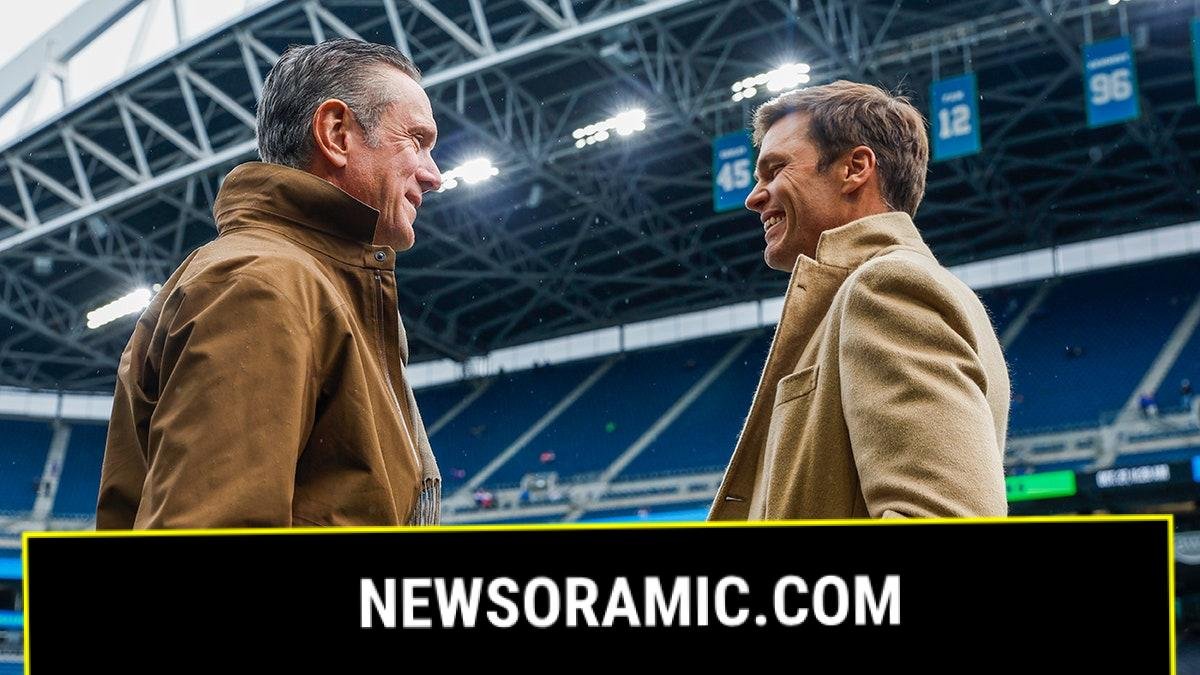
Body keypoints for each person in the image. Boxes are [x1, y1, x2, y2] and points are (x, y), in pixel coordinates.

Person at [97, 39, 442, 528]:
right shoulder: (260, 285)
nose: (434, 175)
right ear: (336, 133)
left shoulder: (306, 283)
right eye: (416, 140)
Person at [709, 81, 1009, 520]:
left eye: (775, 170)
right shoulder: (891, 287)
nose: (753, 198)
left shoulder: (887, 286)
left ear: (854, 168)